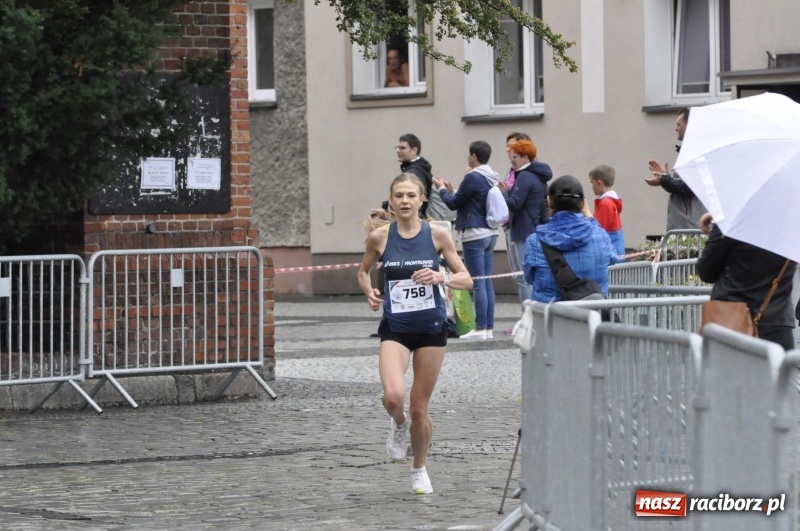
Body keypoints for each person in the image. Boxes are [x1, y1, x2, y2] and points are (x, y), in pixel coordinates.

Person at [357, 173, 473, 495]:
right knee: (393, 397)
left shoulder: (437, 235)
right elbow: (363, 272)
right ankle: (398, 424)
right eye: (399, 196)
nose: (405, 201)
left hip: (432, 330)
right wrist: (369, 292)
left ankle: (419, 468)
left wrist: (441, 277)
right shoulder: (380, 238)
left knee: (420, 407)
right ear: (392, 201)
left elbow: (467, 279)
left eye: (411, 195)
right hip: (396, 328)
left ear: (422, 199)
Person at [696, 213, 796, 350]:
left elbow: (706, 272)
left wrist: (719, 224)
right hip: (777, 325)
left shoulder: (733, 221)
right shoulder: (793, 224)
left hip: (729, 323)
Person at [433, 140, 499, 340]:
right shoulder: (491, 177)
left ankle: (480, 328)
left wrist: (442, 189)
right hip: (490, 233)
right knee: (486, 282)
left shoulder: (473, 178)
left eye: (469, 154)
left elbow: (453, 204)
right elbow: (469, 200)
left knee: (477, 282)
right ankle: (488, 327)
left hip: (474, 234)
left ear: (473, 156)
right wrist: (454, 191)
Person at [523, 175, 619, 303]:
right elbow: (613, 259)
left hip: (549, 318)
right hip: (592, 318)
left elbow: (529, 278)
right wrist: (591, 218)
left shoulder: (535, 242)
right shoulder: (600, 236)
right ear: (582, 203)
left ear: (549, 201)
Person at [498, 139, 552, 309]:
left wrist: (501, 195)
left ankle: (528, 317)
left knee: (525, 279)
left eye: (514, 156)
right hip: (532, 229)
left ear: (525, 158)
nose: (511, 160)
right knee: (527, 278)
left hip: (524, 231)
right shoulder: (536, 176)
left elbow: (515, 203)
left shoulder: (525, 176)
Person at [645, 108, 707, 231]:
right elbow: (682, 184)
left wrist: (665, 179)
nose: (676, 129)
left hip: (689, 226)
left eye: (679, 124)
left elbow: (690, 185)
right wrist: (665, 178)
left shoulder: (694, 152)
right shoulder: (689, 151)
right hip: (685, 225)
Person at [589, 164, 625, 256]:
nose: (592, 186)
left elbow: (597, 231)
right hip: (615, 251)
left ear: (599, 182)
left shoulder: (606, 204)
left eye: (592, 183)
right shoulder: (611, 202)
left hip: (609, 255)